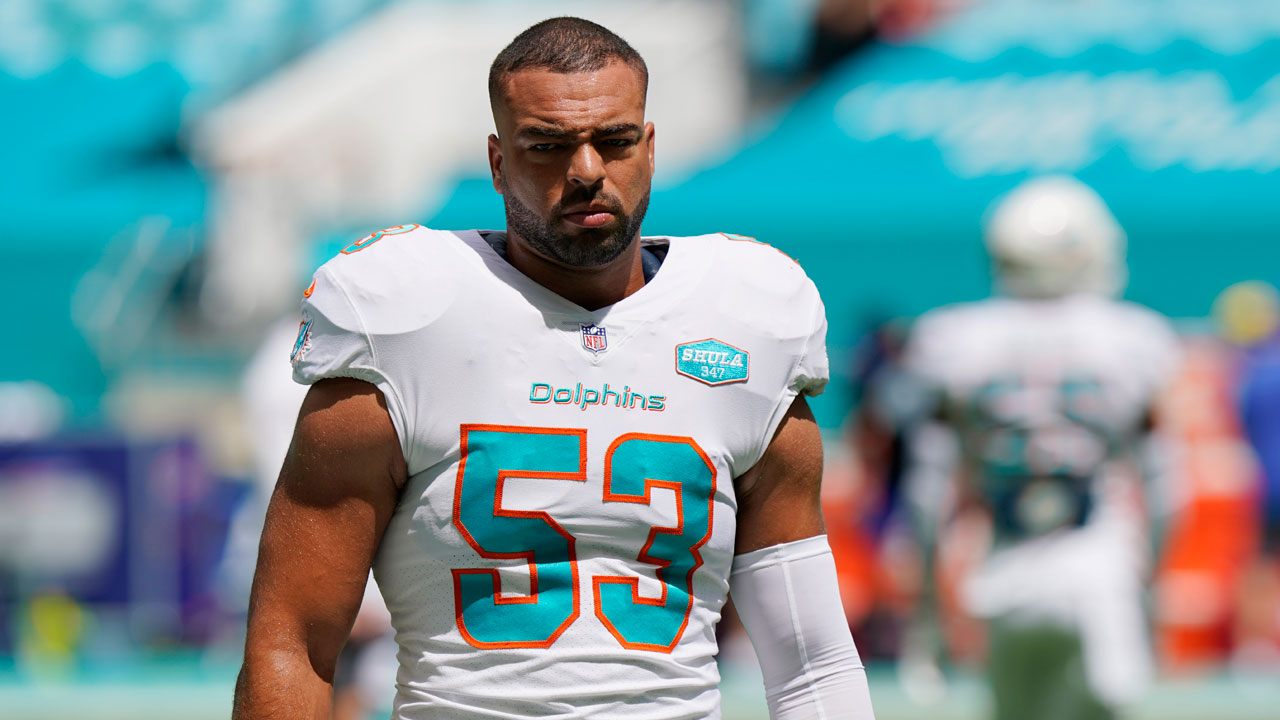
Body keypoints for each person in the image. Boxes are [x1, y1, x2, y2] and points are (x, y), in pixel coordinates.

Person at [232, 17, 875, 720]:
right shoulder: (407, 316)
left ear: (650, 148)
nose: (588, 171)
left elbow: (811, 663)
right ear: (499, 161)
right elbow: (292, 643)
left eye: (615, 140)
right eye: (548, 146)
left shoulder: (748, 319)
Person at [898, 176, 1180, 720]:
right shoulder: (1132, 338)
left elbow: (924, 498)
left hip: (1003, 572)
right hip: (1098, 568)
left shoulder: (953, 339)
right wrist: (1153, 585)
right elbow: (1168, 489)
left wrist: (928, 610)